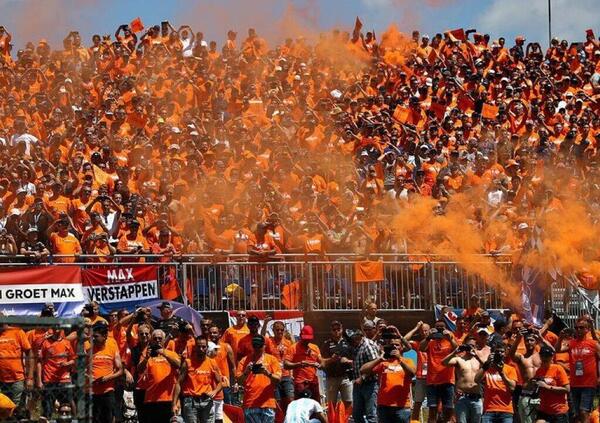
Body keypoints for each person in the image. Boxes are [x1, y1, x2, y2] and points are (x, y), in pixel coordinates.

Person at [360, 334, 415, 422]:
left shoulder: (408, 361)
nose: (394, 347)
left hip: (402, 406)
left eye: (397, 345)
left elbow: (412, 373)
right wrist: (379, 359)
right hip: (384, 406)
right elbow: (363, 370)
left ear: (401, 347)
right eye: (392, 345)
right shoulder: (383, 363)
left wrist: (399, 358)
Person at [555, 318, 600, 423]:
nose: (578, 329)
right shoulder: (571, 343)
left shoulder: (593, 344)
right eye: (576, 328)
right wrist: (560, 337)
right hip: (575, 384)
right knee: (577, 415)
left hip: (588, 384)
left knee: (584, 411)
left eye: (581, 327)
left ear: (587, 329)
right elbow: (557, 350)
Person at [174, 337, 223, 423]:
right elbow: (178, 383)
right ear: (195, 347)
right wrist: (175, 403)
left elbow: (220, 382)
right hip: (190, 401)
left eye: (203, 347)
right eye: (199, 347)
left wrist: (215, 391)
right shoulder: (188, 363)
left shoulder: (212, 362)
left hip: (207, 400)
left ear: (207, 348)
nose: (201, 349)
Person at [137, 329, 181, 422]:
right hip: (151, 399)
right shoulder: (147, 354)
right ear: (151, 340)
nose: (157, 340)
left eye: (160, 338)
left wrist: (164, 353)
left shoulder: (171, 353)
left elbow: (178, 364)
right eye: (155, 338)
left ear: (164, 340)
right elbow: (139, 369)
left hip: (168, 399)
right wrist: (146, 358)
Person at [236, 335, 282, 423]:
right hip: (250, 403)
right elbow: (239, 381)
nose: (257, 348)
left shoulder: (272, 359)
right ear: (252, 346)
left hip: (267, 403)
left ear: (264, 346)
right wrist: (246, 372)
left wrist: (267, 373)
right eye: (255, 346)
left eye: (259, 346)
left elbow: (278, 379)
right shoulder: (244, 361)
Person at [420, 320, 458, 423]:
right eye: (438, 327)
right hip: (433, 380)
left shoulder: (450, 339)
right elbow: (421, 348)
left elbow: (457, 350)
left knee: (448, 409)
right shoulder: (431, 341)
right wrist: (428, 337)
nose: (440, 329)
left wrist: (450, 338)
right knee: (432, 410)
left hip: (448, 380)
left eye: (442, 327)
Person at [442, 337, 484, 423]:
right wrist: (454, 352)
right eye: (468, 345)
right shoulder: (459, 359)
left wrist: (477, 356)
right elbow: (444, 362)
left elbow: (487, 367)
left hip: (476, 397)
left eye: (472, 346)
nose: (470, 348)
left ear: (476, 347)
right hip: (462, 397)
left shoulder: (479, 360)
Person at [37, 328, 76, 420]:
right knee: (47, 407)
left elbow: (73, 359)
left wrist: (67, 363)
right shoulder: (45, 342)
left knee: (67, 405)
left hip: (64, 379)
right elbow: (39, 362)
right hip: (49, 378)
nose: (57, 329)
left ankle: (72, 420)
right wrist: (39, 381)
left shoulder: (66, 342)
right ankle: (48, 420)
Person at [89, 322, 123, 423]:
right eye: (92, 336)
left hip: (107, 391)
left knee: (107, 419)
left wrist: (107, 378)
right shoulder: (88, 350)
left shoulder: (112, 347)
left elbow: (120, 370)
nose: (93, 339)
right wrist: (88, 377)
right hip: (92, 392)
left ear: (104, 336)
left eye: (96, 336)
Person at [475, 343, 518, 423]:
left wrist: (501, 372)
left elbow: (512, 387)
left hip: (506, 410)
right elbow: (476, 380)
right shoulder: (486, 368)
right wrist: (486, 364)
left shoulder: (510, 369)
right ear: (492, 353)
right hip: (489, 409)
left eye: (502, 352)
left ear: (505, 353)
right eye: (497, 352)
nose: (500, 354)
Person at [0, 316, 33, 416]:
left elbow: (29, 353)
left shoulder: (18, 332)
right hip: (1, 380)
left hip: (17, 379)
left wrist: (30, 377)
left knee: (16, 410)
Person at [284, 325, 322, 401]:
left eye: (308, 339)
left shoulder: (315, 347)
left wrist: (323, 363)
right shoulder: (293, 348)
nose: (306, 341)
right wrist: (299, 364)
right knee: (301, 407)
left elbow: (321, 362)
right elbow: (286, 364)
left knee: (315, 406)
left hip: (313, 382)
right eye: (305, 339)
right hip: (300, 383)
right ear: (301, 336)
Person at [321, 321, 353, 411]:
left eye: (338, 329)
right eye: (334, 329)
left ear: (342, 329)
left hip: (346, 378)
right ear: (331, 331)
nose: (336, 331)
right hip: (331, 378)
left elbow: (356, 359)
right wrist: (331, 359)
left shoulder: (349, 342)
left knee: (349, 402)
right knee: (331, 405)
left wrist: (348, 361)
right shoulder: (326, 344)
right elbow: (321, 362)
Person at [534, 345, 570, 423]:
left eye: (547, 356)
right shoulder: (539, 371)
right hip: (544, 409)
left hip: (558, 411)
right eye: (542, 355)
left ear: (552, 357)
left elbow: (567, 389)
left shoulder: (558, 369)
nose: (545, 358)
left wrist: (547, 387)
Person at [350, 329, 380, 423]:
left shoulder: (368, 345)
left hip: (370, 383)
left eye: (356, 338)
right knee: (356, 414)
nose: (354, 340)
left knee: (371, 414)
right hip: (358, 385)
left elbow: (376, 365)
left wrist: (363, 377)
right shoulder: (357, 347)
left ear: (361, 336)